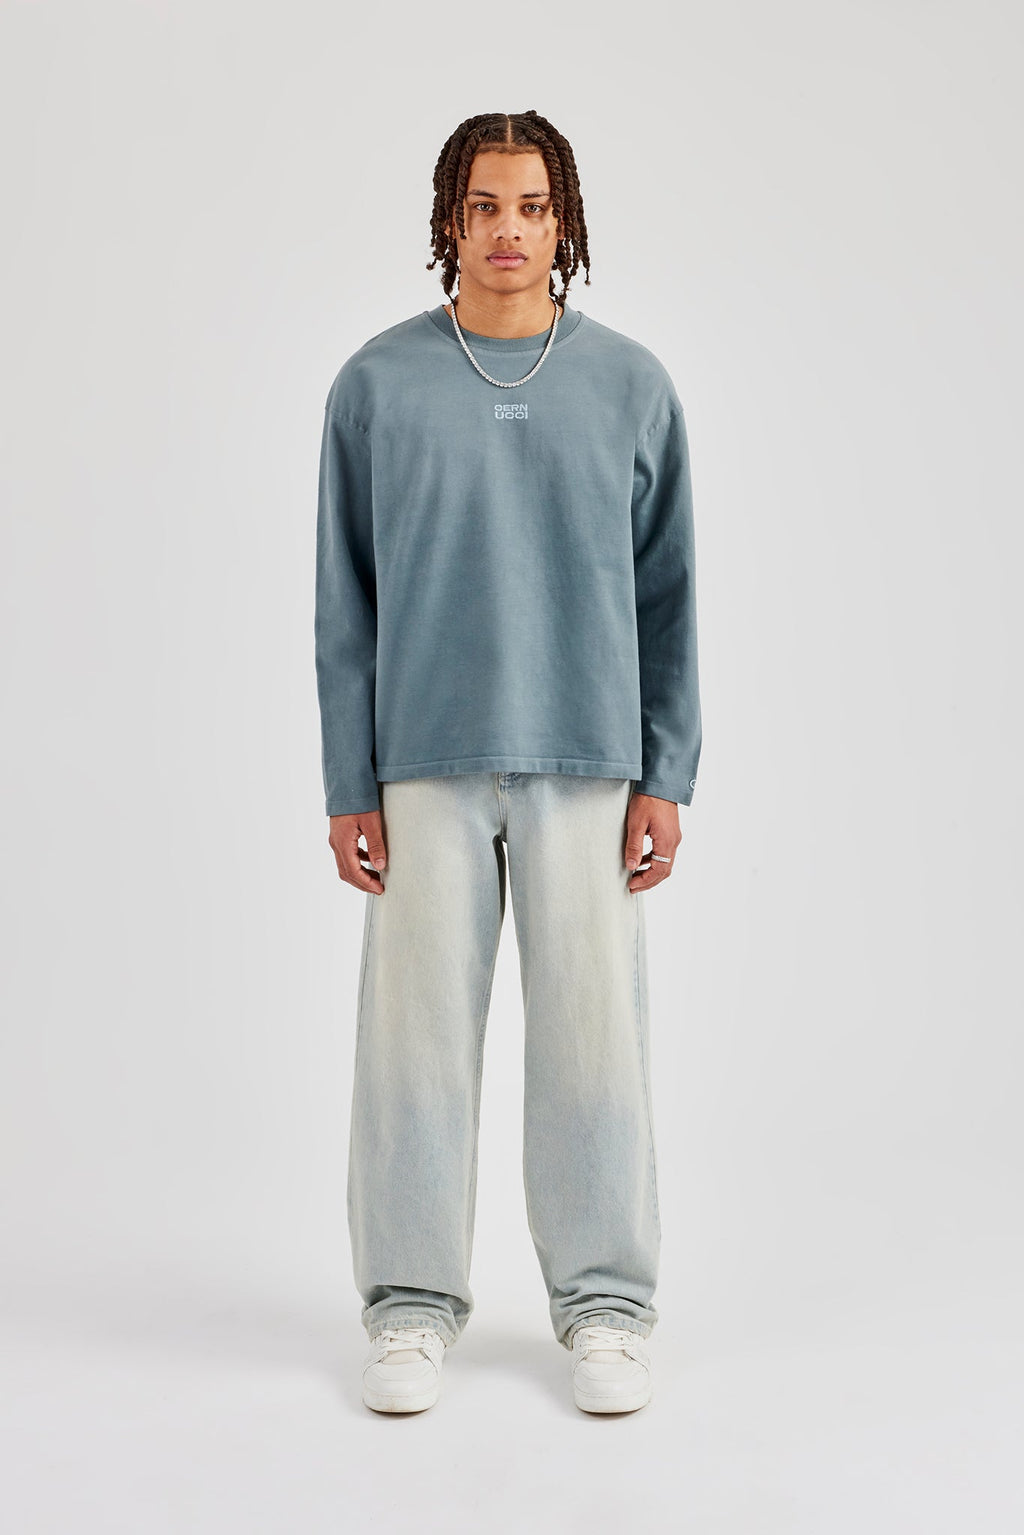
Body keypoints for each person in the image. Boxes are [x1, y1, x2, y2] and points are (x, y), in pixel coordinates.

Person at [314, 109, 701, 1415]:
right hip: (422, 762)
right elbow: (344, 601)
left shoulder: (631, 386)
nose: (507, 230)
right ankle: (408, 1308)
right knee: (413, 1054)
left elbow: (670, 594)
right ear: (449, 220)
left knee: (594, 1050)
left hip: (588, 760)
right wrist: (349, 780)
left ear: (564, 221)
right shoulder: (377, 387)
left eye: (532, 206)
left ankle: (608, 1308)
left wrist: (667, 771)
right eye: (483, 206)